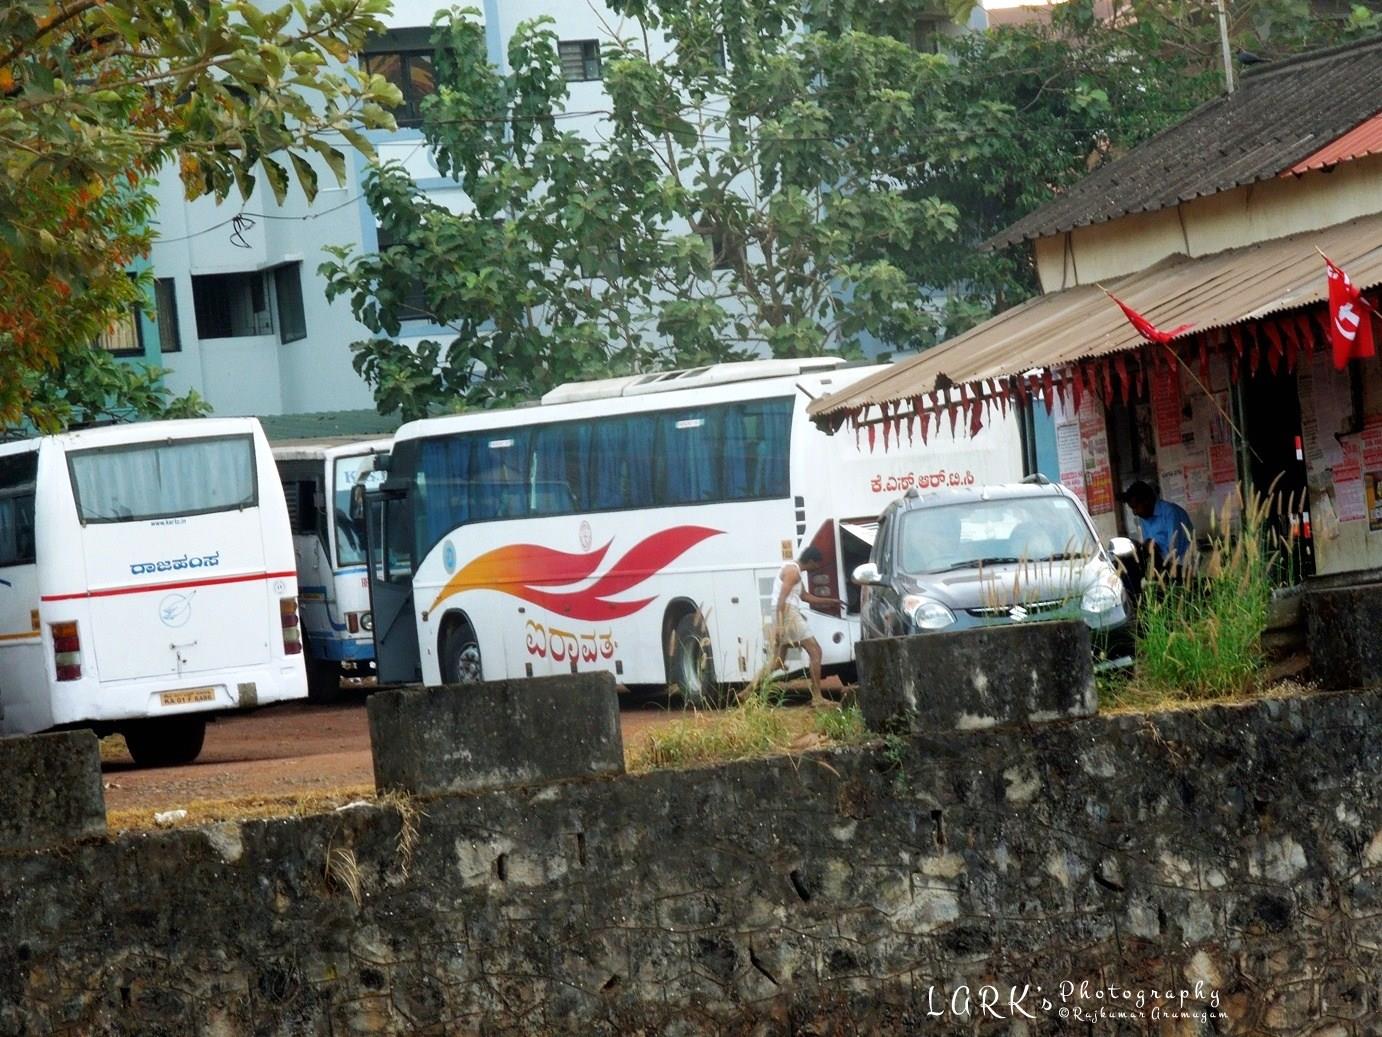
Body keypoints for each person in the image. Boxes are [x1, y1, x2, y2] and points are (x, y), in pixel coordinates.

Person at [767, 546, 842, 707]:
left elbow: (805, 597)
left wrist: (831, 601)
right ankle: (817, 698)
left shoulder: (795, 572)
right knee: (815, 651)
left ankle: (746, 692)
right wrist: (779, 627)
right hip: (788, 613)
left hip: (786, 612)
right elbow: (781, 600)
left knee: (777, 662)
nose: (817, 568)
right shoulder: (793, 572)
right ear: (811, 561)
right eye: (817, 564)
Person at [1122, 480, 1194, 572]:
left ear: (1147, 501)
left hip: (1185, 568)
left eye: (1136, 507)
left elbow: (1174, 551)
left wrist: (1154, 548)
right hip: (1163, 569)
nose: (1134, 512)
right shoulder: (1144, 517)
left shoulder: (1170, 512)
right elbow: (1149, 548)